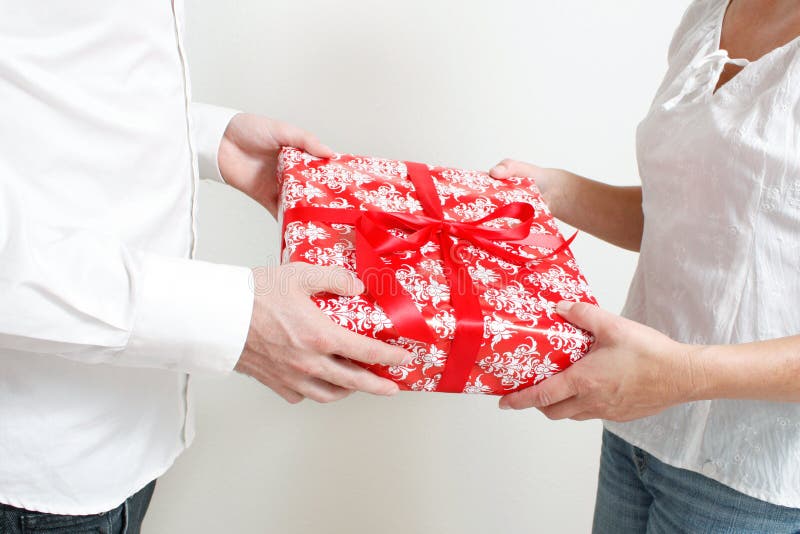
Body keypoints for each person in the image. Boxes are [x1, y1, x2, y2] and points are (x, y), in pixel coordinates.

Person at [0, 2, 412, 532]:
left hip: (130, 431)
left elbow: (55, 65)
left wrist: (201, 137)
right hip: (34, 464)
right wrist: (233, 320)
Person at [489, 0, 800, 531]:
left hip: (751, 481)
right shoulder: (708, 14)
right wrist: (558, 192)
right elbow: (702, 218)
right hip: (638, 427)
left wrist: (684, 374)